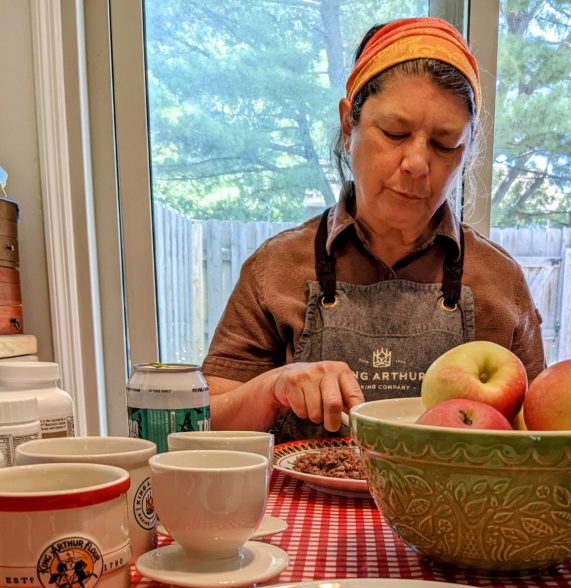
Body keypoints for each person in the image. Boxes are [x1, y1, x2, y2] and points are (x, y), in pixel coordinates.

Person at [203, 17, 545, 443]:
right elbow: (206, 420)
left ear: (469, 146)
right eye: (395, 133)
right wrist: (273, 387)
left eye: (445, 144)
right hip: (301, 512)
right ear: (349, 124)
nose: (418, 164)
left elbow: (538, 436)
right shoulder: (276, 269)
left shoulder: (499, 281)